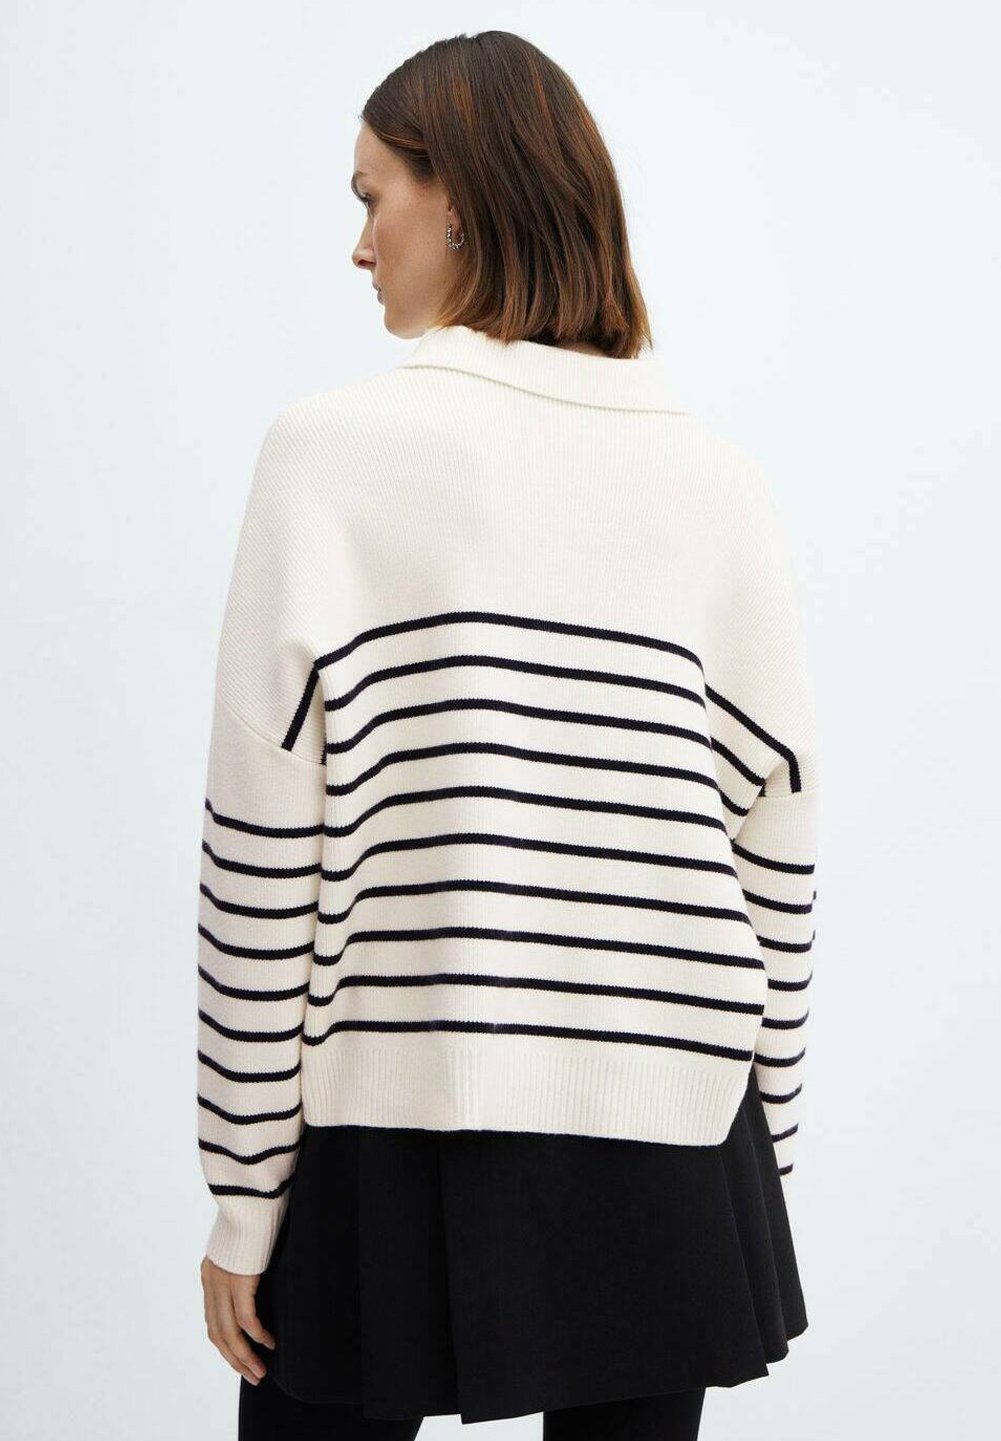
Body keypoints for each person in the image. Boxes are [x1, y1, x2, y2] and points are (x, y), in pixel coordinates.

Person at [196, 30, 820, 1441]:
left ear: (462, 199)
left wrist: (244, 1192)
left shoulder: (331, 451)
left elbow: (263, 853)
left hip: (394, 1117)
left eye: (372, 198)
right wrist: (763, 1144)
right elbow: (775, 842)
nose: (360, 246)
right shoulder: (717, 480)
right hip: (675, 1131)